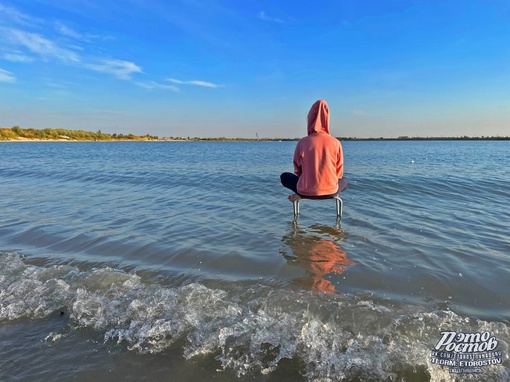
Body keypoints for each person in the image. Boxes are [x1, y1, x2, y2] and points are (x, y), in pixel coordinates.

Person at [280, 100, 347, 202]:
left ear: (310, 119)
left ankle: (300, 195)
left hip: (305, 190)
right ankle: (323, 193)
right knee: (345, 181)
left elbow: (297, 170)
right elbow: (339, 173)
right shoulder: (336, 142)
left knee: (284, 176)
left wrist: (308, 180)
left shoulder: (302, 142)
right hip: (331, 191)